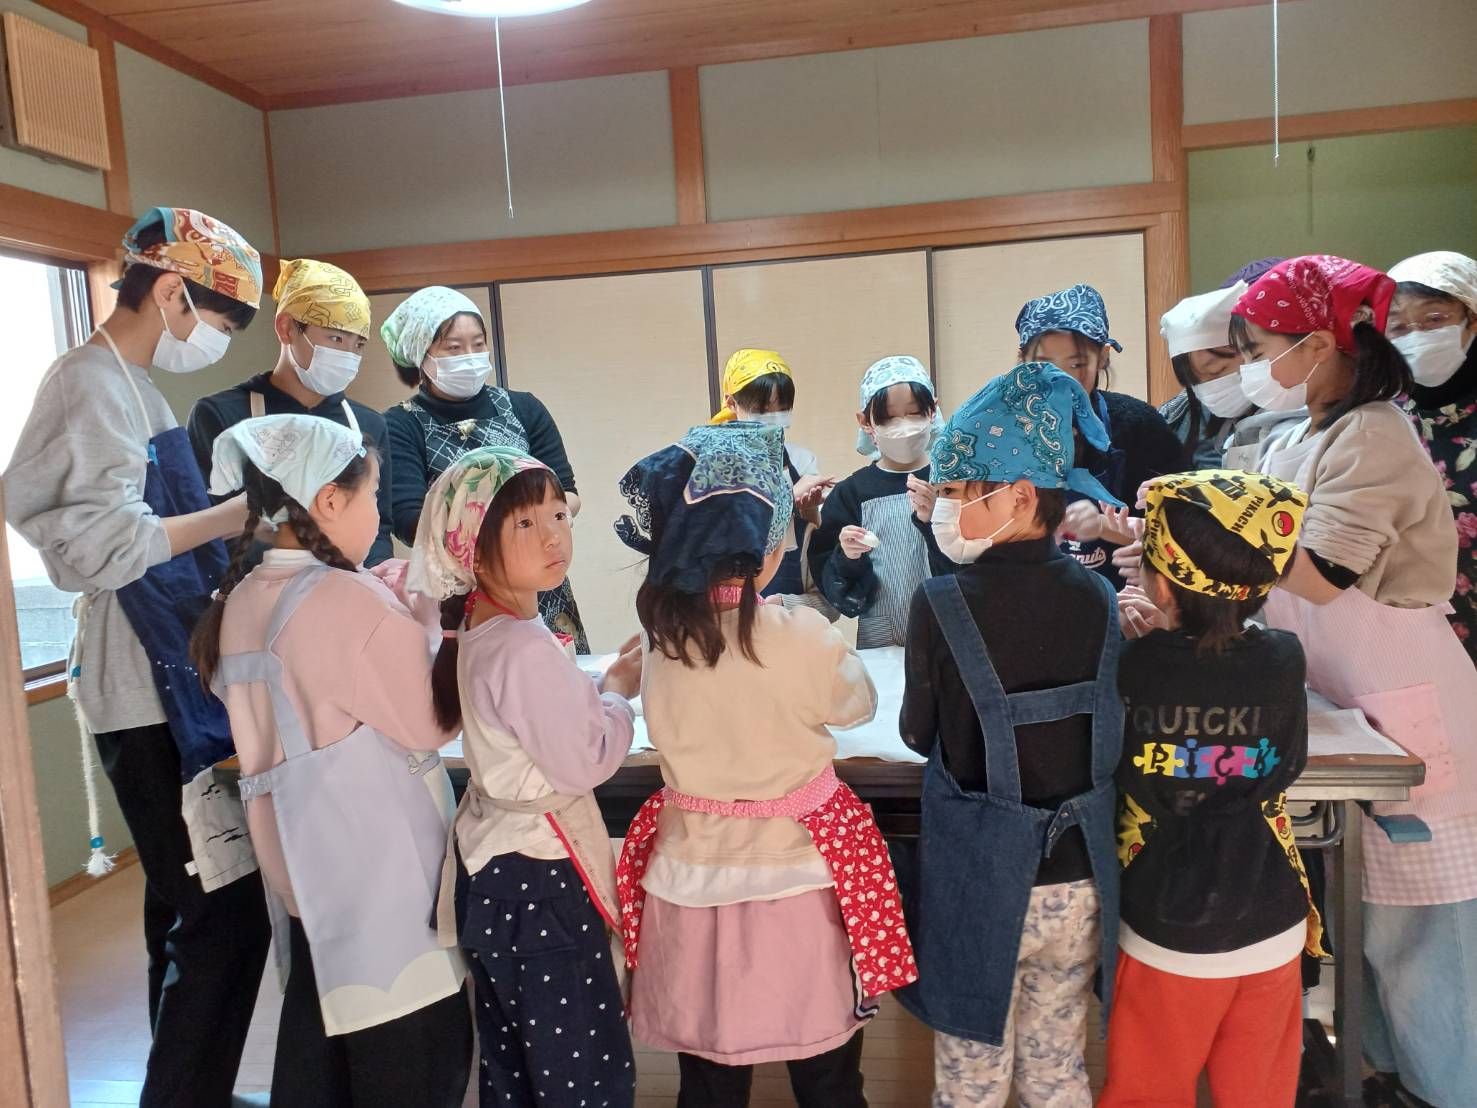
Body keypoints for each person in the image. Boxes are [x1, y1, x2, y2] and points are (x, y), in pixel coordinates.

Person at [3, 206, 271, 1107]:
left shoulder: (136, 387)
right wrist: (231, 516)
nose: (216, 340)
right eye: (218, 319)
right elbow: (104, 546)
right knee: (222, 916)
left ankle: (191, 1088)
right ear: (170, 292)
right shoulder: (87, 382)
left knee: (178, 907)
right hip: (140, 685)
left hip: (171, 674)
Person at [1230, 255, 1477, 1108]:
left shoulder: (1374, 432)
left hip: (1403, 695)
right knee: (1366, 928)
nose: (1250, 366)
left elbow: (1321, 572)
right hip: (1343, 697)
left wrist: (1203, 530)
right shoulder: (1294, 436)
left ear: (1320, 344)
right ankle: (1384, 1078)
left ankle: (1446, 1091)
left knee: (1426, 936)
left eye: (1259, 347)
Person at [613, 424, 915, 1107]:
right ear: (768, 544)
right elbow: (856, 706)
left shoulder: (661, 641)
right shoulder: (801, 634)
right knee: (827, 1076)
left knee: (710, 1079)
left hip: (691, 878)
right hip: (797, 880)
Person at [190, 414, 470, 1106]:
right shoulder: (342, 599)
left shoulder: (242, 597)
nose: (378, 511)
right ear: (329, 500)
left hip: (299, 866)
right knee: (412, 1060)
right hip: (379, 874)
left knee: (321, 1054)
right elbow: (432, 720)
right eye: (372, 494)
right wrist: (428, 619)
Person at [897, 361, 1123, 1108]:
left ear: (1020, 496)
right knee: (1057, 1067)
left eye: (959, 492)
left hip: (982, 884)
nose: (944, 508)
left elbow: (916, 732)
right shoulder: (1099, 595)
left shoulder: (940, 601)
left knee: (972, 1077)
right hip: (1081, 881)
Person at [406, 444, 640, 1107]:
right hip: (543, 884)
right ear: (474, 552)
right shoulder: (522, 646)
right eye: (525, 523)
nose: (553, 537)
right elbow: (587, 758)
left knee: (514, 1070)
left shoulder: (481, 629)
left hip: (497, 879)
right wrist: (619, 695)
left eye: (559, 515)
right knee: (580, 1075)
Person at [1100, 470, 1324, 1108]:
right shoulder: (1285, 657)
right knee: (1260, 1094)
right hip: (1272, 914)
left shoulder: (1132, 663)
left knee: (1147, 1094)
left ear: (1162, 584)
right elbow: (1288, 763)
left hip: (1165, 922)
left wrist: (1149, 647)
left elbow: (1118, 765)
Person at [381, 285, 589, 649]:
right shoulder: (401, 425)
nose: (470, 356)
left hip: (541, 584)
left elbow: (567, 493)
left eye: (478, 344)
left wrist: (533, 528)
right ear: (420, 355)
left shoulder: (524, 409)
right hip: (460, 596)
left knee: (560, 673)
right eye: (454, 348)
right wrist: (499, 541)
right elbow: (410, 519)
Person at [188, 257, 393, 565]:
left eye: (359, 345)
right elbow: (212, 532)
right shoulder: (220, 415)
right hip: (255, 588)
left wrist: (373, 581)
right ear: (286, 328)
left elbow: (380, 530)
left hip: (350, 588)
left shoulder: (369, 424)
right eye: (336, 338)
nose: (348, 355)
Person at [1013, 284, 1183, 586]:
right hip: (1032, 598)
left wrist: (1108, 527)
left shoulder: (1139, 425)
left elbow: (1185, 529)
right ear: (1022, 360)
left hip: (1126, 601)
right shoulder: (1003, 432)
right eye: (1043, 365)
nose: (1060, 379)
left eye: (1077, 364)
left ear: (1103, 357)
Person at [808, 355, 949, 646]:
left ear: (933, 410)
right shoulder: (851, 494)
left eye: (914, 413)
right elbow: (837, 592)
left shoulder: (953, 483)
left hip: (949, 635)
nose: (904, 425)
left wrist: (937, 520)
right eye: (888, 417)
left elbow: (973, 571)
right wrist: (848, 556)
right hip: (882, 641)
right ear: (865, 422)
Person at [1387, 251, 1477, 661]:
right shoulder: (1383, 413)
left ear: (1471, 318)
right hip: (1413, 629)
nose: (1416, 335)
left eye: (1434, 319)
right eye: (1399, 326)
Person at [711, 347, 833, 598]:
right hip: (734, 591)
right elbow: (724, 534)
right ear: (732, 403)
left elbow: (813, 540)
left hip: (792, 584)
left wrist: (810, 509)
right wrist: (790, 496)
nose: (774, 418)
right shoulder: (713, 464)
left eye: (782, 408)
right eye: (763, 409)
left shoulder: (801, 460)